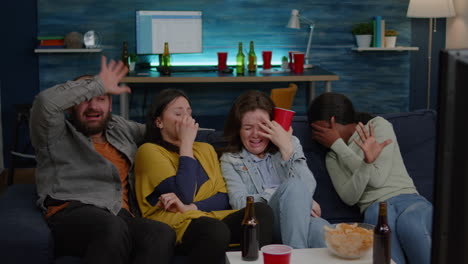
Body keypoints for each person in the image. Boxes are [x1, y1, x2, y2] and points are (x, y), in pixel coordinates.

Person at [30, 56, 176, 264]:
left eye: (101, 98)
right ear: (70, 106)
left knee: (161, 233)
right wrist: (98, 84)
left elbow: (160, 132)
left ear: (110, 105)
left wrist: (222, 135)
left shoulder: (119, 128)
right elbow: (45, 103)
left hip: (120, 215)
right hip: (72, 213)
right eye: (85, 99)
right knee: (111, 227)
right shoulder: (54, 133)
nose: (93, 106)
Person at [134, 89, 273, 264]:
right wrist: (186, 144)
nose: (186, 118)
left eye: (189, 113)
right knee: (214, 230)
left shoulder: (205, 149)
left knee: (261, 212)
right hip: (176, 223)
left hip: (211, 216)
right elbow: (184, 194)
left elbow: (223, 197)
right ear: (159, 122)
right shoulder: (149, 151)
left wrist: (192, 208)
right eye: (178, 113)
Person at [308, 92, 433, 264]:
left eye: (318, 130)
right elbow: (350, 198)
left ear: (332, 122)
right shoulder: (333, 158)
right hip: (374, 208)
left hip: (408, 200)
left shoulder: (377, 126)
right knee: (378, 220)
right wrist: (364, 162)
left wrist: (339, 145)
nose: (316, 136)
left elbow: (377, 179)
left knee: (409, 222)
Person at [220, 90, 329, 249]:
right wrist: (285, 196)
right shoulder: (231, 159)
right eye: (248, 127)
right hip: (267, 225)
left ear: (273, 125)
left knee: (321, 230)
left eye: (263, 126)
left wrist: (286, 149)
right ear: (238, 129)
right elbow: (239, 203)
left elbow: (308, 187)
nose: (256, 134)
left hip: (299, 220)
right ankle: (297, 258)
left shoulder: (290, 143)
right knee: (293, 187)